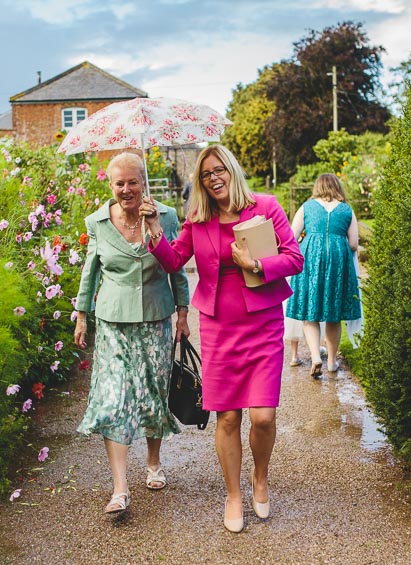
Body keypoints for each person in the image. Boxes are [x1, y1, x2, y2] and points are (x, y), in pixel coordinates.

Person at [140, 144, 303, 533]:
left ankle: (259, 478)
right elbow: (174, 261)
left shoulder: (265, 206)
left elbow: (295, 258)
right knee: (227, 416)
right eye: (206, 174)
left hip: (262, 323)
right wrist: (154, 233)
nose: (214, 178)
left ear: (231, 170)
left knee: (263, 417)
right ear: (200, 182)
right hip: (219, 328)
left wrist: (256, 264)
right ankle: (233, 495)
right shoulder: (197, 219)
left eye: (219, 170)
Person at [73, 151, 191, 515]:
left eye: (133, 182)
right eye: (119, 183)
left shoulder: (167, 216)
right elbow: (90, 272)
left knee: (154, 392)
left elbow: (177, 269)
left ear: (144, 182)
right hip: (112, 322)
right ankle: (120, 488)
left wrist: (183, 313)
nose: (126, 190)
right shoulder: (98, 222)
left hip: (156, 318)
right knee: (114, 397)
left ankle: (153, 463)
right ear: (110, 185)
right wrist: (81, 314)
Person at [285, 173, 361, 379]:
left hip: (310, 257)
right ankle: (331, 362)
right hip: (338, 258)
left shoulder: (306, 207)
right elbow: (353, 243)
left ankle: (315, 356)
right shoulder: (347, 210)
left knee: (310, 311)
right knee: (333, 313)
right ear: (337, 187)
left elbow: (291, 236)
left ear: (317, 187)